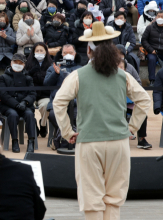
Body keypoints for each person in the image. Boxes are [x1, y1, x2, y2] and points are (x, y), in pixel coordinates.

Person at [53, 22, 150, 220]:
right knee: (114, 197)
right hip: (119, 142)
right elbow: (144, 100)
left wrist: (67, 132)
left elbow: (59, 102)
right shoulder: (123, 75)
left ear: (89, 49)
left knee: (92, 197)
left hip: (89, 142)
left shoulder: (77, 75)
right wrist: (132, 127)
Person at [0, 53, 37, 153]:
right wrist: (16, 104)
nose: (18, 64)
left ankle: (31, 141)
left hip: (25, 106)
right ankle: (15, 141)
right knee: (13, 114)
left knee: (29, 114)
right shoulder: (3, 77)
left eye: (20, 63)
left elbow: (32, 93)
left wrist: (25, 102)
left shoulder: (28, 78)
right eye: (16, 62)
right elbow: (3, 94)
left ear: (24, 65)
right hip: (9, 106)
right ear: (11, 63)